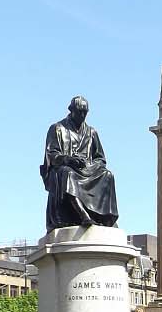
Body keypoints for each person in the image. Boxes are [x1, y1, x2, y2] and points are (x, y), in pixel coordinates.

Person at [40, 96, 120, 231]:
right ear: (71, 110)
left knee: (107, 175)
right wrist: (69, 159)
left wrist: (91, 165)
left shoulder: (91, 132)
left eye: (85, 112)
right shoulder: (57, 128)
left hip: (87, 169)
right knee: (68, 173)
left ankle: (105, 217)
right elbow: (52, 155)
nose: (82, 115)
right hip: (65, 168)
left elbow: (100, 158)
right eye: (79, 112)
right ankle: (82, 214)